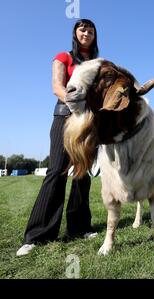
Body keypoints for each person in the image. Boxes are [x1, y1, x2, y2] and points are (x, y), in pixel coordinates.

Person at [17, 19, 100, 256]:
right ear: (75, 33)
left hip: (89, 121)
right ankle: (37, 235)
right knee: (56, 171)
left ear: (95, 36)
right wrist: (76, 108)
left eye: (91, 30)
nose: (86, 33)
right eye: (82, 29)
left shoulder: (96, 64)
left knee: (82, 173)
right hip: (65, 117)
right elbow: (57, 86)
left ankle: (79, 227)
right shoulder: (63, 56)